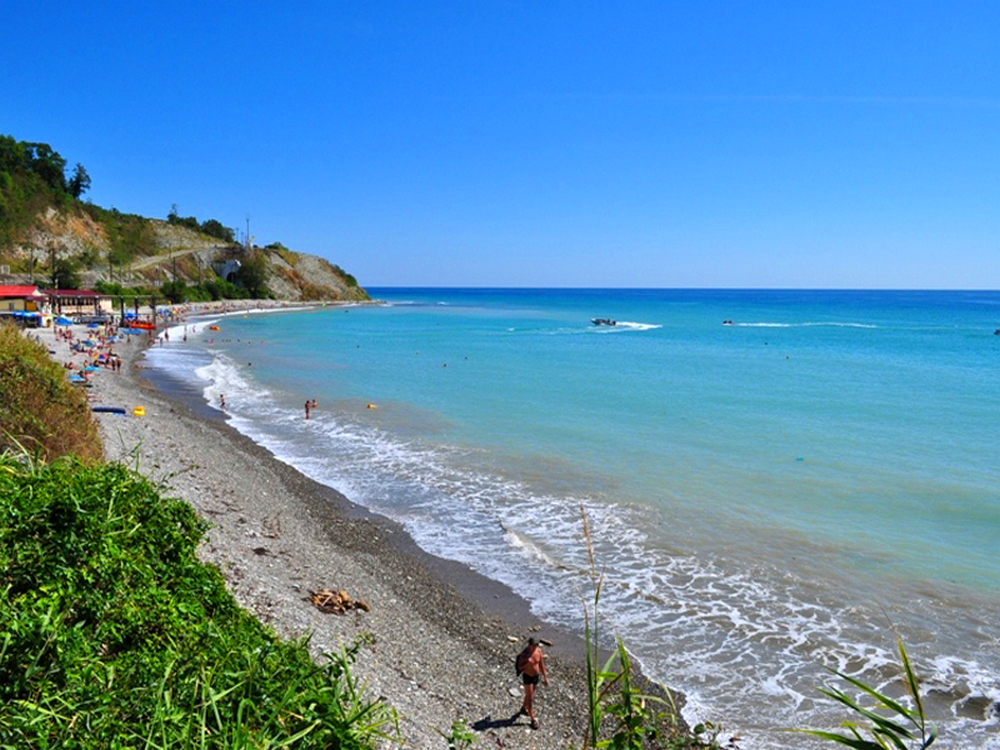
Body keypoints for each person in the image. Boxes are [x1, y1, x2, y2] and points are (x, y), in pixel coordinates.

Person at [516, 637, 548, 729]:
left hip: (536, 677)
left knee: (530, 695)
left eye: (537, 645)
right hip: (528, 677)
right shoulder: (525, 655)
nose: (536, 647)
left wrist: (545, 677)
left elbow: (541, 664)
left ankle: (523, 708)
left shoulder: (538, 651)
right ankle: (533, 719)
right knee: (530, 698)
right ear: (530, 645)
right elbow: (519, 667)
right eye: (534, 645)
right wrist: (527, 664)